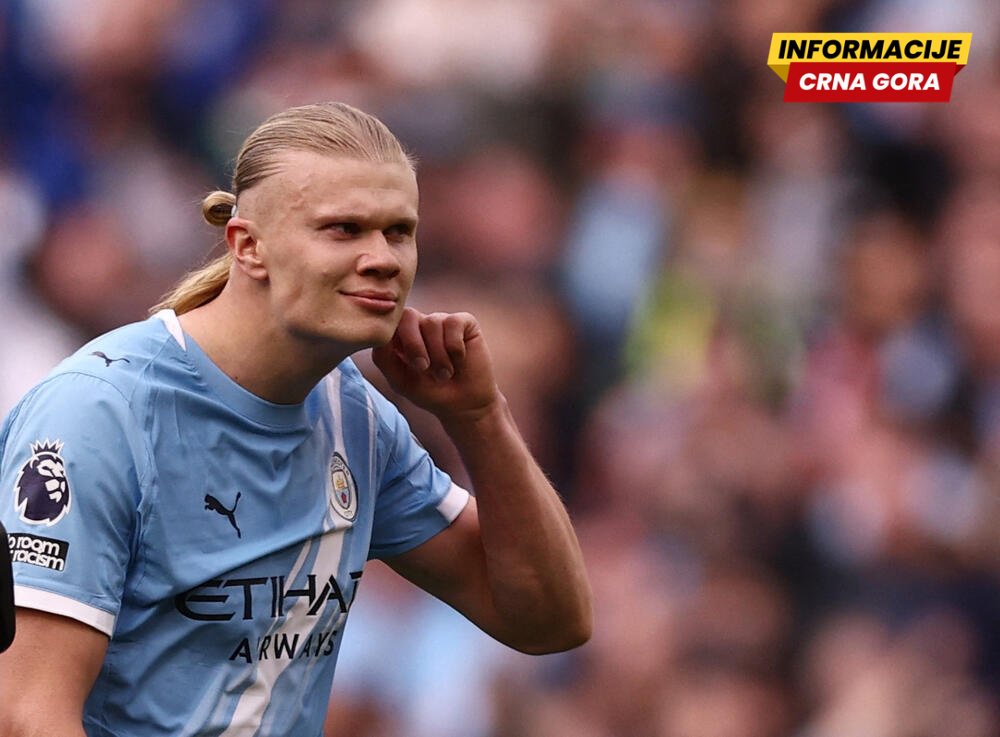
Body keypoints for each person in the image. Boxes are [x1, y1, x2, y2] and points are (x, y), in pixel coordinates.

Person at [0, 102, 592, 737]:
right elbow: (28, 716)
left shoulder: (356, 418)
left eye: (399, 231)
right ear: (248, 246)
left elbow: (549, 621)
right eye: (344, 229)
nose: (384, 258)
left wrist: (480, 417)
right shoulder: (99, 414)